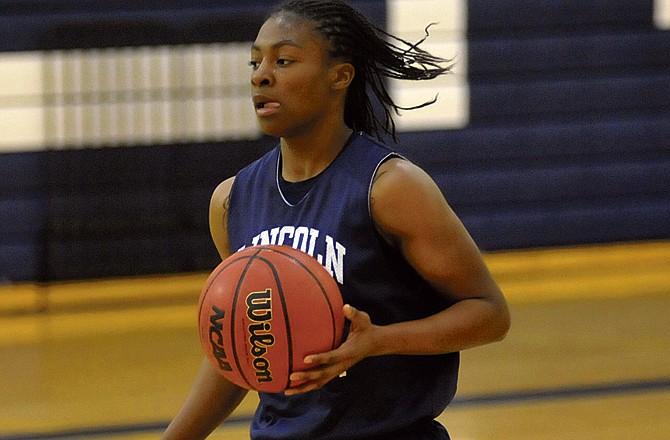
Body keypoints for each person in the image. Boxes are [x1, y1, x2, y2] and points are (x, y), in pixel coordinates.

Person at [162, 1, 510, 439]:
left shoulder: (389, 187)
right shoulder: (231, 201)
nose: (260, 75)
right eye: (255, 61)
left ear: (340, 77)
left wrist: (379, 341)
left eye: (283, 60)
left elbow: (489, 314)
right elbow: (243, 350)